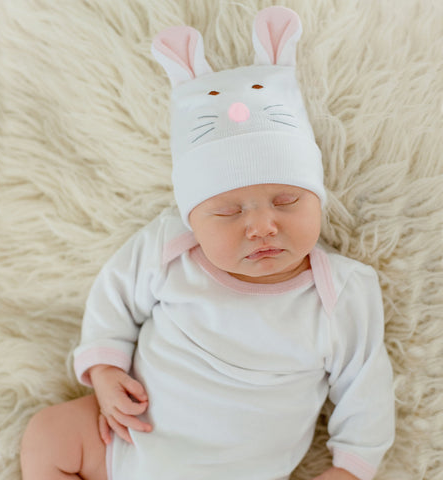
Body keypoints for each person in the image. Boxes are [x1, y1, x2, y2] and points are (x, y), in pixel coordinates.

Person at [20, 6, 394, 480]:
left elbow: (367, 388)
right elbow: (113, 297)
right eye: (228, 212)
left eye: (286, 200)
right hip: (126, 443)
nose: (261, 226)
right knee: (48, 433)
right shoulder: (172, 248)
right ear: (192, 219)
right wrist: (106, 371)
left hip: (237, 470)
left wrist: (352, 467)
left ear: (318, 200)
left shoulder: (340, 293)